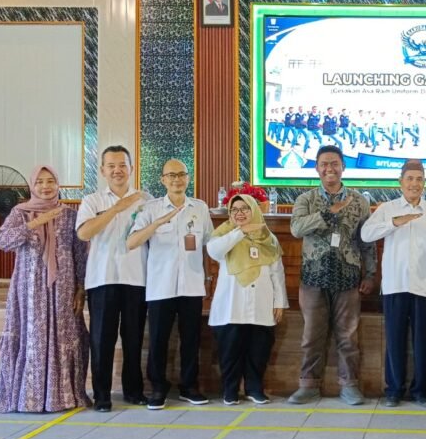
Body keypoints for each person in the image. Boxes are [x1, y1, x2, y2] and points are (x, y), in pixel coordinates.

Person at [0, 165, 90, 413]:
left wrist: (81, 288)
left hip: (64, 288)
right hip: (30, 290)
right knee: (33, 337)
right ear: (31, 186)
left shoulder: (70, 215)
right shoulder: (21, 212)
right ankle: (31, 397)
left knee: (65, 336)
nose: (46, 187)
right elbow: (3, 240)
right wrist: (35, 223)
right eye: (40, 182)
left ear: (59, 185)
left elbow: (80, 252)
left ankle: (66, 396)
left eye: (51, 181)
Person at [288, 146, 377, 405]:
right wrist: (329, 212)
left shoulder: (360, 201)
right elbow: (296, 229)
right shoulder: (306, 199)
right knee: (311, 337)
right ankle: (308, 385)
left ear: (343, 167)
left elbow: (367, 242)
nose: (330, 168)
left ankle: (349, 385)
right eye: (324, 164)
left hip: (348, 277)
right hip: (314, 277)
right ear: (316, 168)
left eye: (335, 163)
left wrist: (370, 275)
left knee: (348, 337)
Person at [361, 160, 426, 408]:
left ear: (424, 183)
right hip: (394, 286)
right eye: (409, 178)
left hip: (424, 286)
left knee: (423, 342)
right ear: (400, 182)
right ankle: (393, 390)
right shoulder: (388, 208)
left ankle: (422, 391)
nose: (414, 183)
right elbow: (366, 234)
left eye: (419, 179)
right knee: (394, 340)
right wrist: (394, 222)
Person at [128, 159, 213, 410]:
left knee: (191, 339)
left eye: (182, 174)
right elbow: (132, 242)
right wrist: (156, 223)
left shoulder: (199, 208)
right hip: (160, 286)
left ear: (188, 178)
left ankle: (189, 386)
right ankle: (157, 388)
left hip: (192, 284)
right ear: (163, 179)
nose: (177, 179)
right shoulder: (151, 208)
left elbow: (207, 245)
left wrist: (208, 279)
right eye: (171, 175)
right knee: (158, 339)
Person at [75, 146, 151, 412]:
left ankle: (133, 391)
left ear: (131, 168)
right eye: (111, 166)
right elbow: (84, 234)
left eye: (122, 165)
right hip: (102, 278)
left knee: (133, 339)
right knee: (101, 339)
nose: (117, 170)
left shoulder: (146, 200)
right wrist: (117, 208)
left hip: (137, 278)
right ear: (103, 170)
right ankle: (102, 395)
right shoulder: (92, 201)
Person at [207, 194, 288, 405]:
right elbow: (214, 251)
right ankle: (230, 390)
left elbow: (277, 273)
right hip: (231, 305)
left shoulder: (268, 238)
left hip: (262, 303)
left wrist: (279, 301)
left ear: (254, 210)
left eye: (245, 208)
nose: (240, 213)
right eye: (235, 209)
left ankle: (254, 389)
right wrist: (240, 232)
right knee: (230, 352)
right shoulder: (223, 234)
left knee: (258, 351)